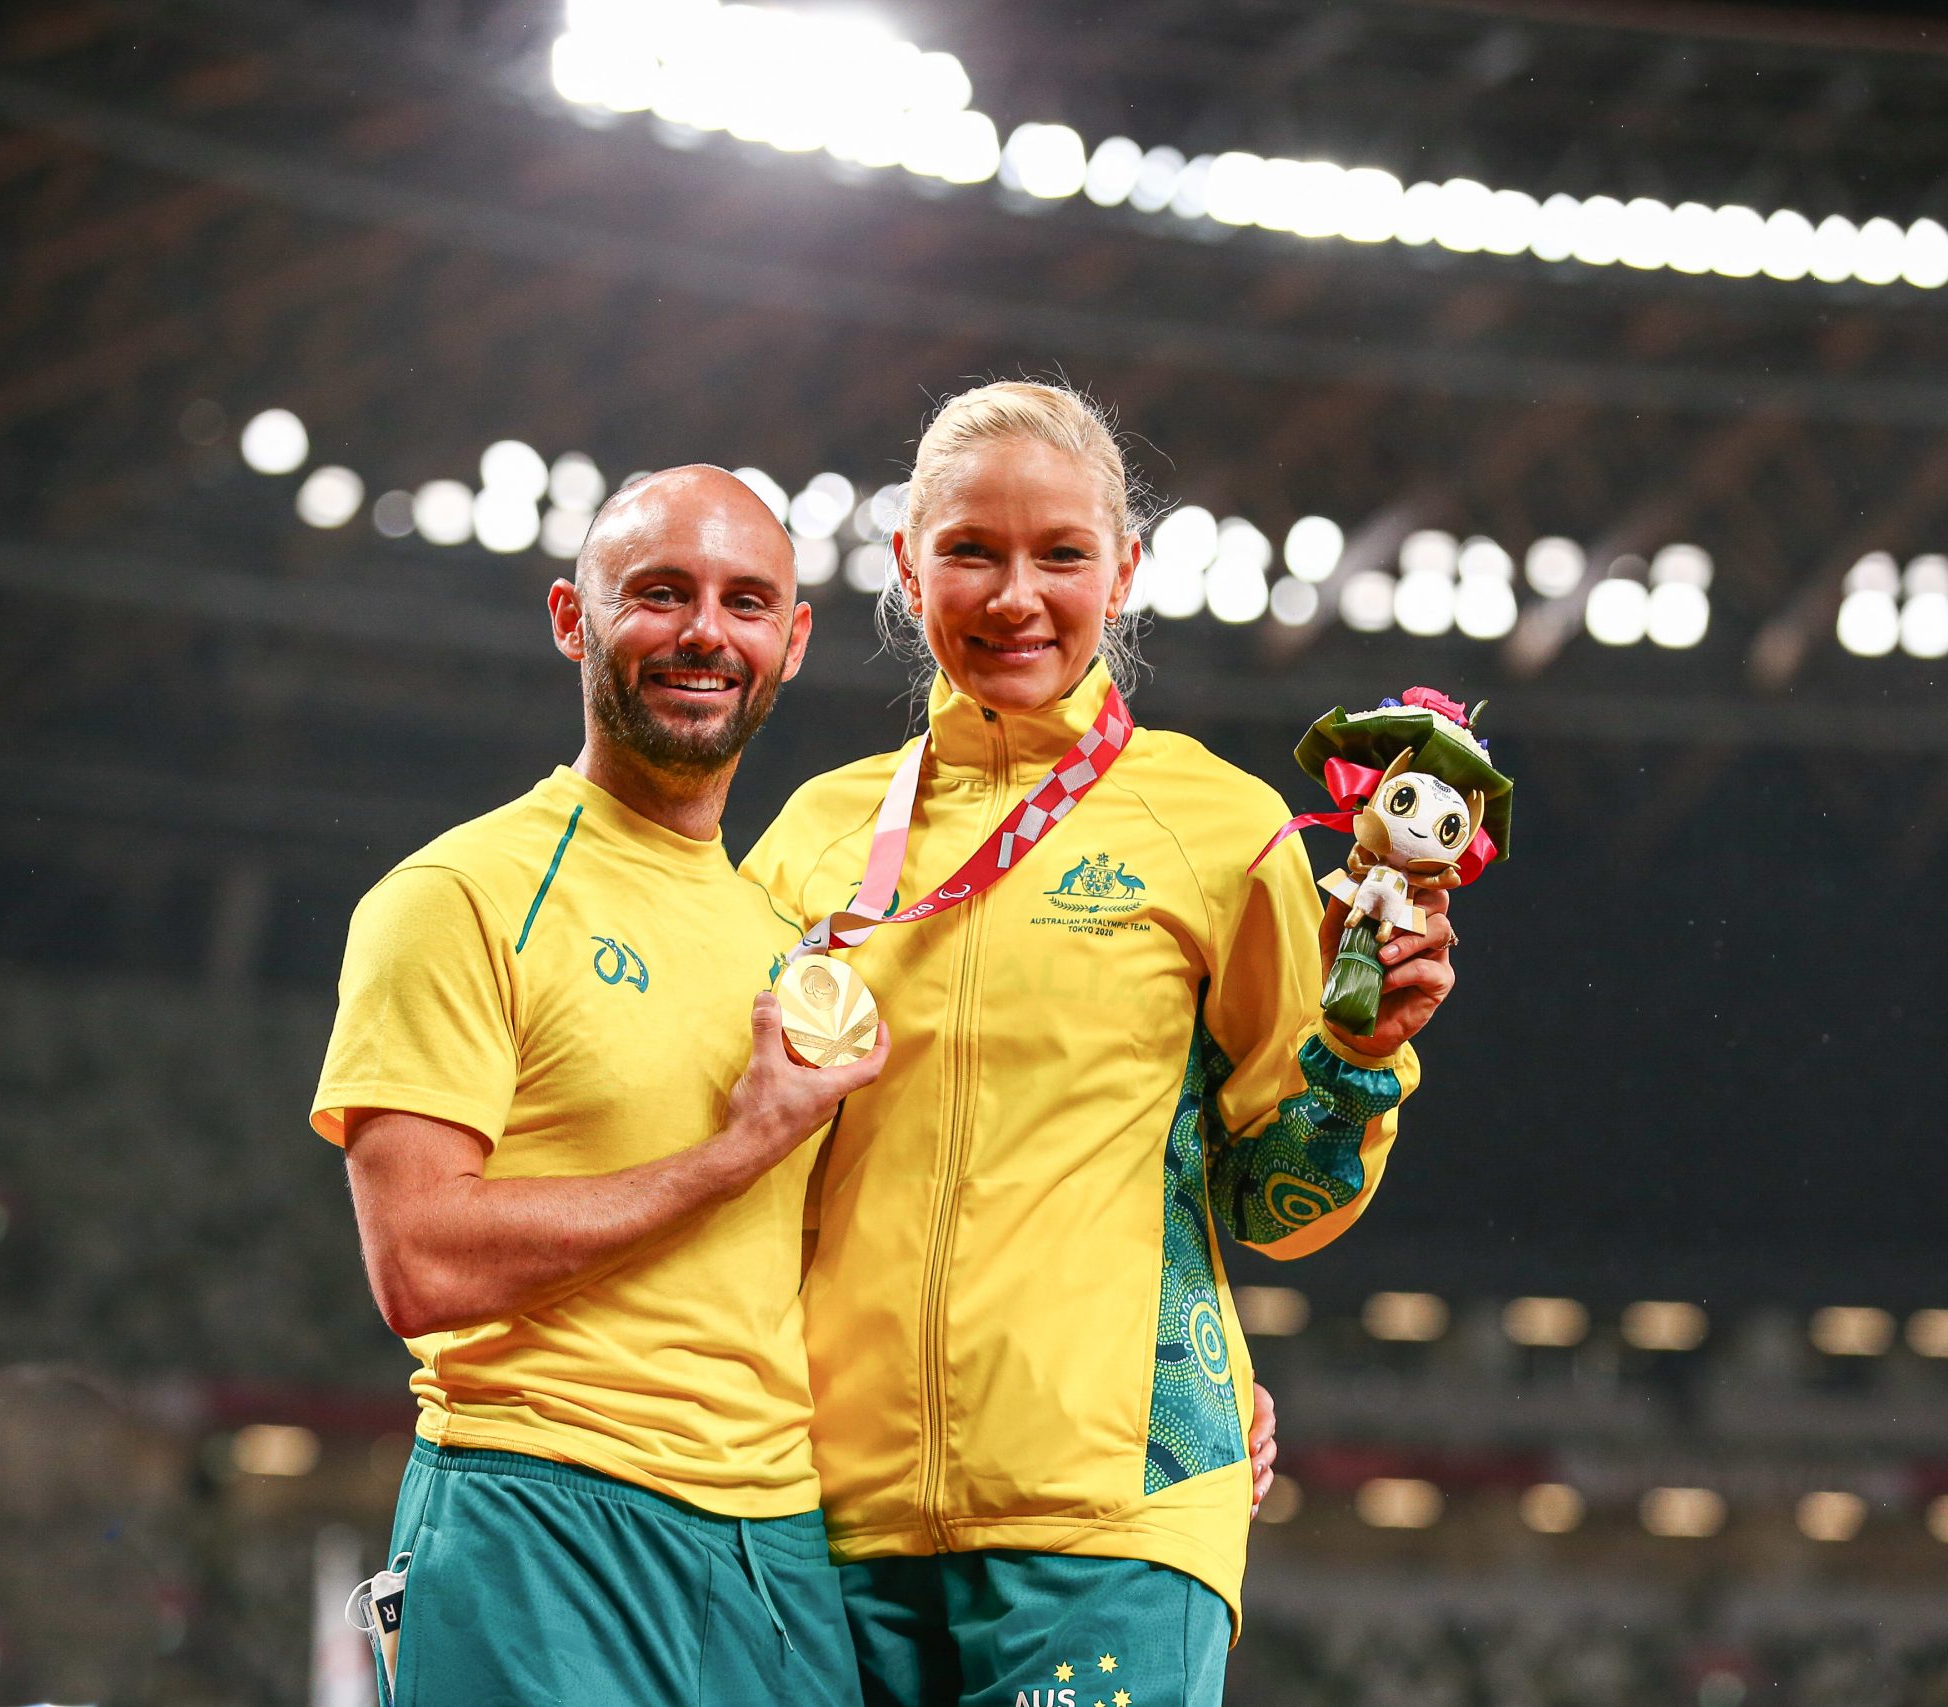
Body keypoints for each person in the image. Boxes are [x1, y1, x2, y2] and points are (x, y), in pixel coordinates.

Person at [745, 382, 1458, 1706]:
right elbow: (743, 1174)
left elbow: (1273, 1201)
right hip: (818, 1514)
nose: (1017, 594)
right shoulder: (810, 842)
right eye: (971, 551)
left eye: (1060, 554)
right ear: (908, 564)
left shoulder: (1218, 826)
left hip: (1111, 1515)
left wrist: (1363, 1057)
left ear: (1123, 570)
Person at [308, 467, 890, 1704]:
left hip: (777, 1547)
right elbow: (421, 1261)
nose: (703, 633)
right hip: (541, 1510)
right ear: (572, 618)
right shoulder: (456, 896)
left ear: (790, 643)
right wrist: (730, 1155)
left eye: (745, 603)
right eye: (660, 594)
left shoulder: (793, 944)